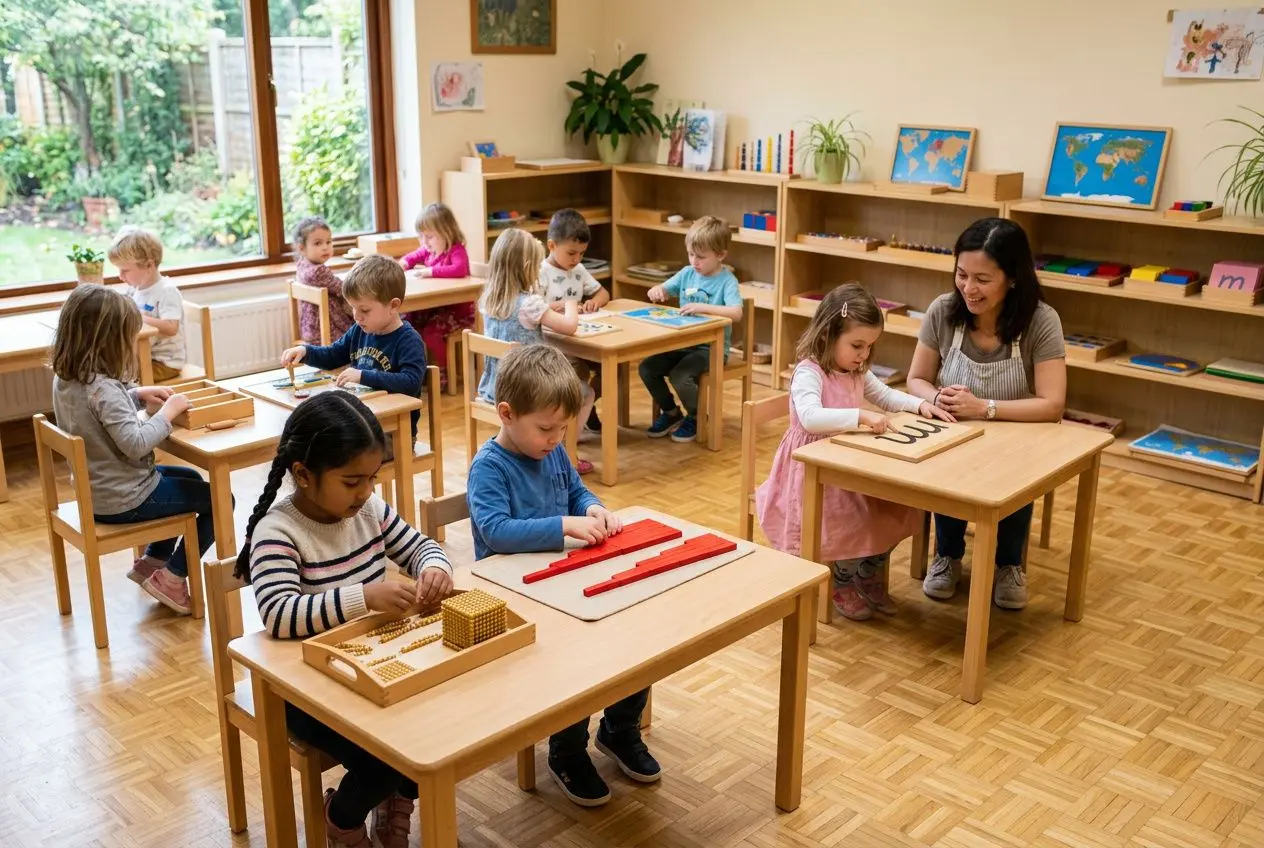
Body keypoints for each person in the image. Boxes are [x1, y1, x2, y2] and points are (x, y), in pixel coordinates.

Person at [235, 391, 452, 848]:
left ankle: (396, 798)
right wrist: (365, 597)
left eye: (372, 478)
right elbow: (278, 614)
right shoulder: (278, 531)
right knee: (386, 757)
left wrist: (434, 567)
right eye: (352, 481)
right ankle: (341, 819)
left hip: (370, 668)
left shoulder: (369, 510)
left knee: (434, 724)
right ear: (303, 475)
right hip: (303, 692)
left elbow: (419, 547)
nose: (366, 492)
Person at [466, 344, 658, 807]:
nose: (555, 439)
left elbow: (575, 490)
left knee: (635, 631)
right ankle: (567, 750)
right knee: (574, 659)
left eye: (563, 429)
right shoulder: (489, 466)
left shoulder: (551, 451)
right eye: (545, 429)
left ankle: (619, 729)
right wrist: (564, 526)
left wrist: (592, 507)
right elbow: (495, 531)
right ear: (506, 414)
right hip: (515, 594)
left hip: (563, 577)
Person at [756, 284, 954, 619]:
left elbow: (886, 396)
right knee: (852, 523)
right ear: (828, 334)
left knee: (898, 510)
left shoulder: (857, 369)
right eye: (857, 345)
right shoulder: (809, 371)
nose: (864, 354)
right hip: (812, 471)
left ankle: (866, 573)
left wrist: (921, 404)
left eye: (870, 346)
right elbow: (810, 417)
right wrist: (860, 415)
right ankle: (842, 581)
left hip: (849, 463)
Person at [905, 217, 1067, 610]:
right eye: (962, 275)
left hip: (1018, 434)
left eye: (982, 279)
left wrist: (984, 408)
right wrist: (936, 399)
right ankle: (947, 554)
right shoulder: (943, 310)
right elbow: (916, 379)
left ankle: (1009, 564)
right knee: (947, 464)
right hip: (955, 430)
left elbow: (1052, 404)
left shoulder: (1041, 320)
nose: (968, 288)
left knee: (1014, 473)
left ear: (1012, 278)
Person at [49, 285, 219, 614]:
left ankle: (152, 563)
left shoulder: (68, 378)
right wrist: (168, 413)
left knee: (190, 479)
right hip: (125, 499)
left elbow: (95, 414)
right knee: (220, 499)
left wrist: (136, 395)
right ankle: (171, 578)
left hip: (95, 493)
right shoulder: (104, 389)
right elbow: (136, 444)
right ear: (109, 341)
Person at [476, 228, 594, 473]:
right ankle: (568, 454)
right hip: (528, 389)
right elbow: (569, 326)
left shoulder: (489, 301)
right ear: (528, 267)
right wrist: (572, 302)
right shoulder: (530, 303)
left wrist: (550, 307)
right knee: (585, 393)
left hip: (493, 387)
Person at [281, 254, 427, 440]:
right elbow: (333, 355)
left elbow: (411, 382)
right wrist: (305, 352)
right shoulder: (359, 330)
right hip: (361, 425)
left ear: (393, 306)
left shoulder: (409, 340)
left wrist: (363, 376)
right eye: (353, 307)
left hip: (393, 434)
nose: (356, 316)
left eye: (364, 310)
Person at [639, 215, 743, 443]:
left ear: (720, 255)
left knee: (680, 376)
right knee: (647, 368)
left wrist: (703, 307)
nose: (695, 261)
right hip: (681, 345)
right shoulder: (687, 273)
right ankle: (671, 412)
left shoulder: (727, 281)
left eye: (701, 257)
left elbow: (736, 313)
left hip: (711, 349)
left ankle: (697, 417)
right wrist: (657, 291)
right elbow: (664, 288)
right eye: (691, 254)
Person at [538, 208, 610, 437]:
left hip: (582, 338)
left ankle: (587, 408)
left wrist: (594, 302)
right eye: (571, 253)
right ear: (552, 245)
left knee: (612, 368)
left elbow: (603, 293)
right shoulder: (542, 272)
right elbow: (534, 307)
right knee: (577, 371)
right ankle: (576, 414)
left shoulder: (578, 269)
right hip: (555, 344)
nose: (577, 259)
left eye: (581, 253)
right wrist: (563, 306)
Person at [399, 202, 475, 390]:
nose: (424, 242)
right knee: (408, 323)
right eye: (421, 236)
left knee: (431, 332)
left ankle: (441, 373)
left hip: (458, 312)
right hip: (435, 309)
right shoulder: (428, 251)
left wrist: (430, 272)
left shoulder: (456, 250)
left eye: (430, 236)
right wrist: (403, 264)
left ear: (447, 233)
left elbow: (459, 269)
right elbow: (410, 258)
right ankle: (417, 368)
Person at [109, 226, 186, 383]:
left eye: (125, 270)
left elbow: (171, 328)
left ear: (149, 266)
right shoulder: (134, 290)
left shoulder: (167, 292)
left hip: (164, 363)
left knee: (118, 377)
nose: (120, 276)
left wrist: (139, 317)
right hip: (142, 357)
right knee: (109, 368)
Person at [293, 216, 355, 343]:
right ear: (301, 248)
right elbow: (344, 289)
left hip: (310, 330)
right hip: (330, 331)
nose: (325, 247)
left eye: (328, 242)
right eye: (318, 243)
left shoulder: (302, 266)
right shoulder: (318, 271)